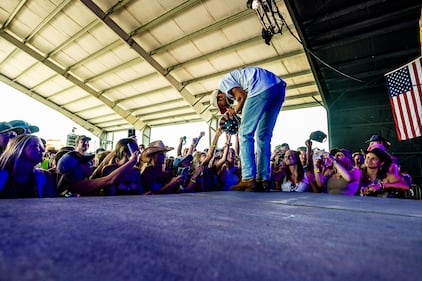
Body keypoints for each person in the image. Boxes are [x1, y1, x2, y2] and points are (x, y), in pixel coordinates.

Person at [210, 66, 286, 191]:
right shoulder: (238, 81)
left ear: (220, 97)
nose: (226, 108)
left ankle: (248, 178)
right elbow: (247, 103)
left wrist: (234, 110)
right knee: (263, 137)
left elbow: (241, 97)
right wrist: (238, 110)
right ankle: (263, 180)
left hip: (261, 87)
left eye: (222, 106)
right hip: (278, 87)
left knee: (245, 133)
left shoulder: (223, 83)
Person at [56, 150, 139, 196]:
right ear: (73, 169)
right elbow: (109, 180)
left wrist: (114, 152)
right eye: (84, 162)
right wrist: (132, 162)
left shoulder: (75, 182)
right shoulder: (73, 186)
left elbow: (98, 171)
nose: (89, 164)